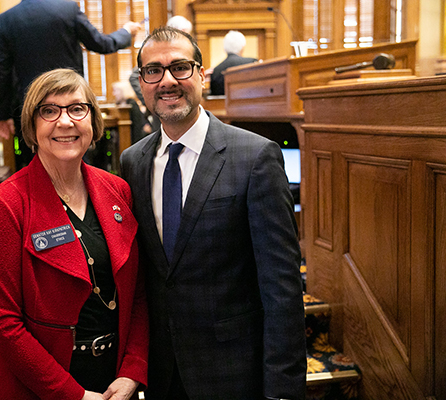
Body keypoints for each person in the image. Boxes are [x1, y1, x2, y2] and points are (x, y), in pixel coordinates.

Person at [120, 27, 306, 400]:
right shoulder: (132, 162)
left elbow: (282, 289)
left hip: (235, 373)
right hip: (162, 373)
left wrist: (282, 389)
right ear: (142, 83)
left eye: (180, 68)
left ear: (202, 75)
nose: (167, 81)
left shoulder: (254, 157)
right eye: (153, 71)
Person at [0, 69, 148, 400]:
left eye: (76, 108)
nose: (65, 121)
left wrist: (133, 370)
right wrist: (73, 395)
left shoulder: (118, 191)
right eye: (49, 110)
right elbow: (3, 324)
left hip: (114, 382)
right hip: (43, 387)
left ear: (93, 121)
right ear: (32, 126)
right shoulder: (7, 204)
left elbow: (139, 293)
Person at [0, 0, 142, 171]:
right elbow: (101, 43)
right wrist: (126, 32)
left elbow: (2, 73)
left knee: (37, 169)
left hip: (31, 109)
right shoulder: (68, 9)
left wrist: (3, 117)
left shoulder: (7, 19)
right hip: (71, 104)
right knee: (76, 161)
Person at [129, 15, 193, 133]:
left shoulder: (190, 52)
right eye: (185, 34)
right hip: (162, 121)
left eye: (180, 68)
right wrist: (152, 99)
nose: (168, 81)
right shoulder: (155, 52)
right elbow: (133, 77)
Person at [209, 30, 258, 96]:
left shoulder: (216, 71)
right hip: (250, 105)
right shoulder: (252, 64)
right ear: (242, 47)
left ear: (224, 49)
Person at [112, 80, 150, 144]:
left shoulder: (132, 104)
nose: (114, 94)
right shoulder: (119, 104)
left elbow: (137, 126)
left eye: (116, 91)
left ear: (123, 91)